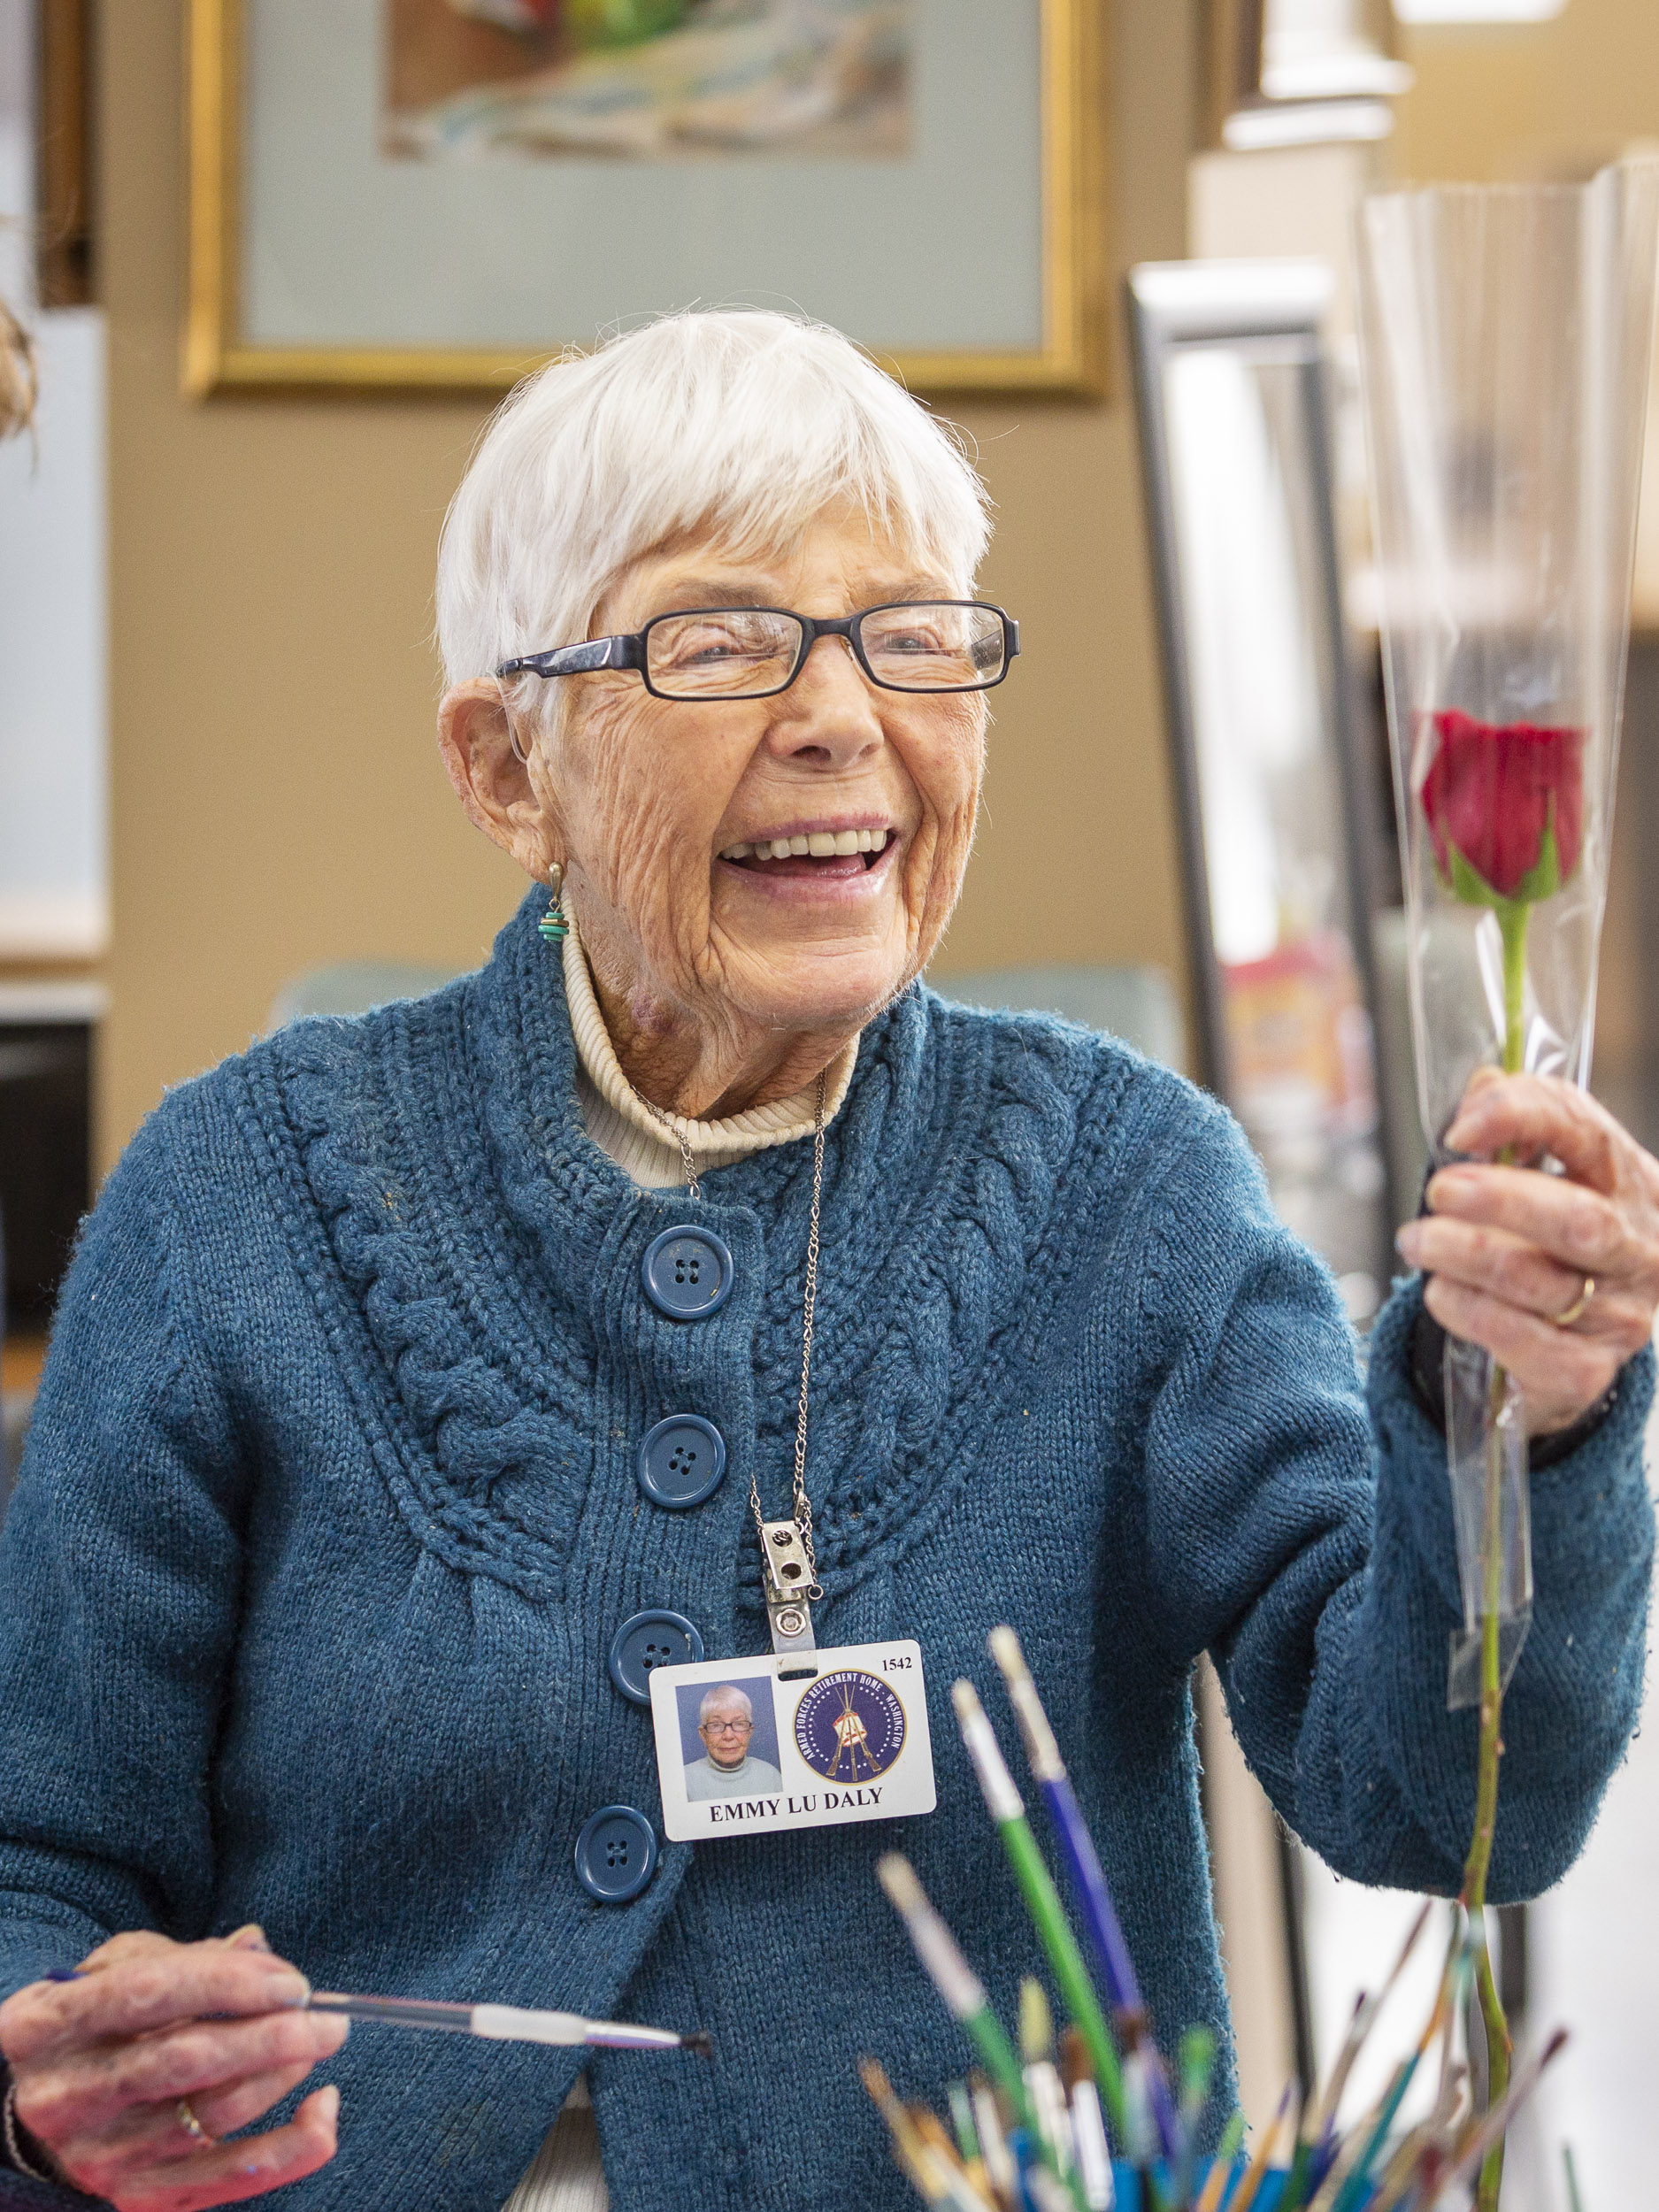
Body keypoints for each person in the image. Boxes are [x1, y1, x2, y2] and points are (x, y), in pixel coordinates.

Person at [0, 309, 1655, 2212]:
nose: (840, 712)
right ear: (505, 768)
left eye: (912, 632)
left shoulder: (1136, 1194)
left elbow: (1451, 1803)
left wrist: (1514, 1430)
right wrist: (56, 2068)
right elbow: (38, 1859)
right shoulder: (231, 1201)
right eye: (719, 641)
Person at [682, 1686, 783, 1801]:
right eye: (716, 1725)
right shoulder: (685, 1780)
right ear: (703, 1734)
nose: (728, 1736)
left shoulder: (770, 1776)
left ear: (749, 1732)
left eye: (739, 1724)